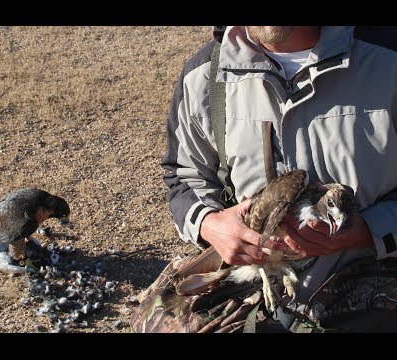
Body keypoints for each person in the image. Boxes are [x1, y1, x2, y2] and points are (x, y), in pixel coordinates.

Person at [161, 26, 397, 331]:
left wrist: (372, 231)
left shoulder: (387, 60)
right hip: (253, 294)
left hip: (372, 292)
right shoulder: (203, 75)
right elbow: (184, 176)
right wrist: (211, 224)